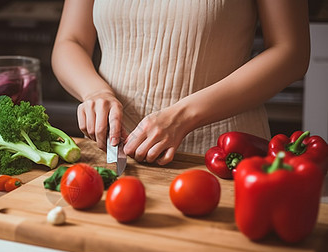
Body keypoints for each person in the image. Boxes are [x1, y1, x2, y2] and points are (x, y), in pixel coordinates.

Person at [51, 0, 310, 165]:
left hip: (223, 156)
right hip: (113, 154)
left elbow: (292, 52)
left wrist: (184, 116)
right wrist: (95, 91)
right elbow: (71, 41)